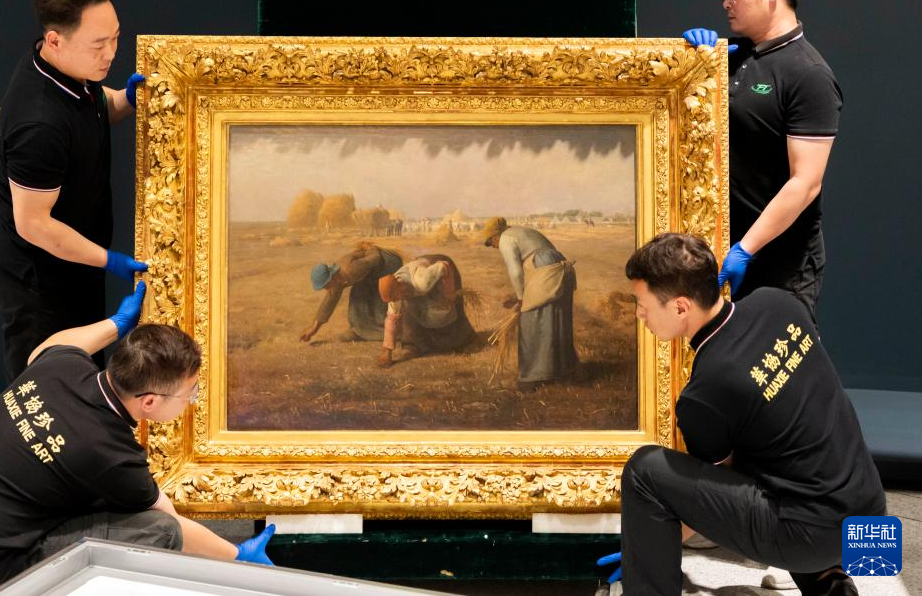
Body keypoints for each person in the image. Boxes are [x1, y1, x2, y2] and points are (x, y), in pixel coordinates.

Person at [0, 283, 275, 595]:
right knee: (159, 531)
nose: (192, 401)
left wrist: (116, 323)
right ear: (149, 401)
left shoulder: (61, 366)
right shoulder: (110, 453)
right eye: (190, 394)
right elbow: (172, 524)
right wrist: (237, 554)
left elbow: (45, 347)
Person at [597, 233, 883, 595]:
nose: (639, 315)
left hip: (811, 538)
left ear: (680, 307)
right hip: (869, 514)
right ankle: (831, 586)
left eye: (643, 304)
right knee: (776, 456)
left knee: (646, 470)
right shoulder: (779, 303)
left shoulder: (705, 392)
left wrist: (644, 547)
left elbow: (713, 496)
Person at [0, 0, 149, 382]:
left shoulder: (70, 70)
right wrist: (111, 261)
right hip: (43, 283)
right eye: (98, 44)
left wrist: (126, 100)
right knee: (51, 390)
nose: (111, 54)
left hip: (77, 263)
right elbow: (34, 224)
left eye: (116, 38)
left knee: (85, 382)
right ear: (55, 40)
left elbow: (92, 110)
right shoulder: (38, 124)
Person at [683, 0, 841, 319]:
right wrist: (691, 63)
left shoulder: (809, 75)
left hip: (781, 267)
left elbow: (805, 183)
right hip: (722, 253)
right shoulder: (732, 56)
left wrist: (746, 249)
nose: (726, 2)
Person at [480, 217, 580, 389]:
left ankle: (532, 378)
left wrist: (521, 298)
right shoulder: (520, 232)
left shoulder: (505, 239)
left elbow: (516, 272)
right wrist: (520, 294)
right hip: (558, 269)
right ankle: (563, 372)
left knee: (530, 321)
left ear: (495, 236)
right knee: (557, 319)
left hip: (546, 271)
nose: (494, 247)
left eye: (491, 243)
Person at [376, 254, 476, 367]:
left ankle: (463, 341)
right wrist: (387, 351)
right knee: (410, 310)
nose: (394, 301)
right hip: (420, 274)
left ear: (400, 286)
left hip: (439, 269)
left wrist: (449, 293)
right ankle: (413, 346)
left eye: (395, 298)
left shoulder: (421, 281)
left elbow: (444, 266)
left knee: (446, 309)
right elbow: (392, 319)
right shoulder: (395, 292)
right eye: (393, 299)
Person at [299, 242, 402, 343]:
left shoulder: (352, 269)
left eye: (326, 285)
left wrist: (370, 247)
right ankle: (360, 331)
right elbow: (329, 302)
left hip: (388, 263)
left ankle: (392, 332)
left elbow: (375, 257)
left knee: (380, 296)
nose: (326, 289)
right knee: (357, 296)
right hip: (371, 272)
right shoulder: (336, 279)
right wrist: (313, 329)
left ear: (331, 278)